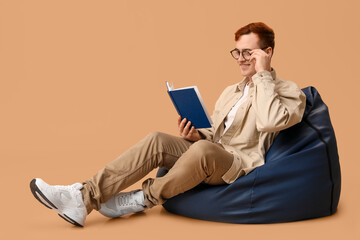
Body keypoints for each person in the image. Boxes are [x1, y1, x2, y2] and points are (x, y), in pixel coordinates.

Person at [30, 22, 306, 227]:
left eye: (250, 53)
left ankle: (143, 198)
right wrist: (197, 134)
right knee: (157, 139)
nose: (242, 59)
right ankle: (83, 197)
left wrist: (263, 75)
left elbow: (271, 122)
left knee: (204, 151)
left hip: (239, 165)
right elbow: (218, 134)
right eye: (238, 52)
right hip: (211, 152)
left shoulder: (289, 91)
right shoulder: (230, 91)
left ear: (267, 52)